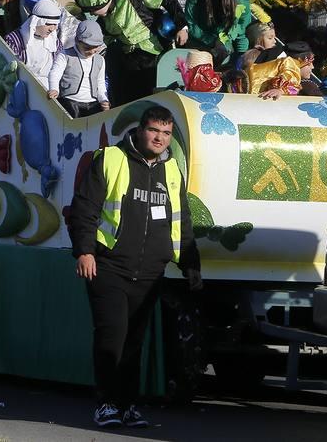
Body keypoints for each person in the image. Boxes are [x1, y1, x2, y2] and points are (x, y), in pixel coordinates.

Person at [67, 105, 201, 429]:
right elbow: (84, 209)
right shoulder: (111, 158)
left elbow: (182, 222)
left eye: (166, 133)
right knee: (112, 336)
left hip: (151, 272)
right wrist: (84, 252)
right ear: (140, 130)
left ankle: (127, 405)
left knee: (134, 343)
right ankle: (106, 403)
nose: (160, 138)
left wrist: (190, 265)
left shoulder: (172, 172)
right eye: (154, 130)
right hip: (108, 266)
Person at [74, 0, 189, 105]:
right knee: (131, 94)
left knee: (160, 91)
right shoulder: (103, 21)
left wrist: (181, 26)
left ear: (101, 2)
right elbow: (100, 41)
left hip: (157, 51)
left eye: (92, 9)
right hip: (133, 60)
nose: (91, 13)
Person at [183, 0, 261, 68]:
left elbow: (241, 29)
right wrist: (212, 41)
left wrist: (241, 56)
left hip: (226, 49)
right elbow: (190, 22)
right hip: (198, 45)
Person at [49, 20, 110, 117]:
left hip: (93, 103)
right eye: (87, 47)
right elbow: (55, 73)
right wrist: (54, 89)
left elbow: (100, 82)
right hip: (71, 101)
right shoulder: (65, 55)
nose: (91, 51)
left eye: (95, 48)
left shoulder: (100, 60)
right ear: (77, 41)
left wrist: (103, 99)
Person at [5, 0, 63, 89]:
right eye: (48, 24)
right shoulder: (14, 40)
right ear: (35, 21)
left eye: (55, 25)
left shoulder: (55, 43)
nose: (52, 29)